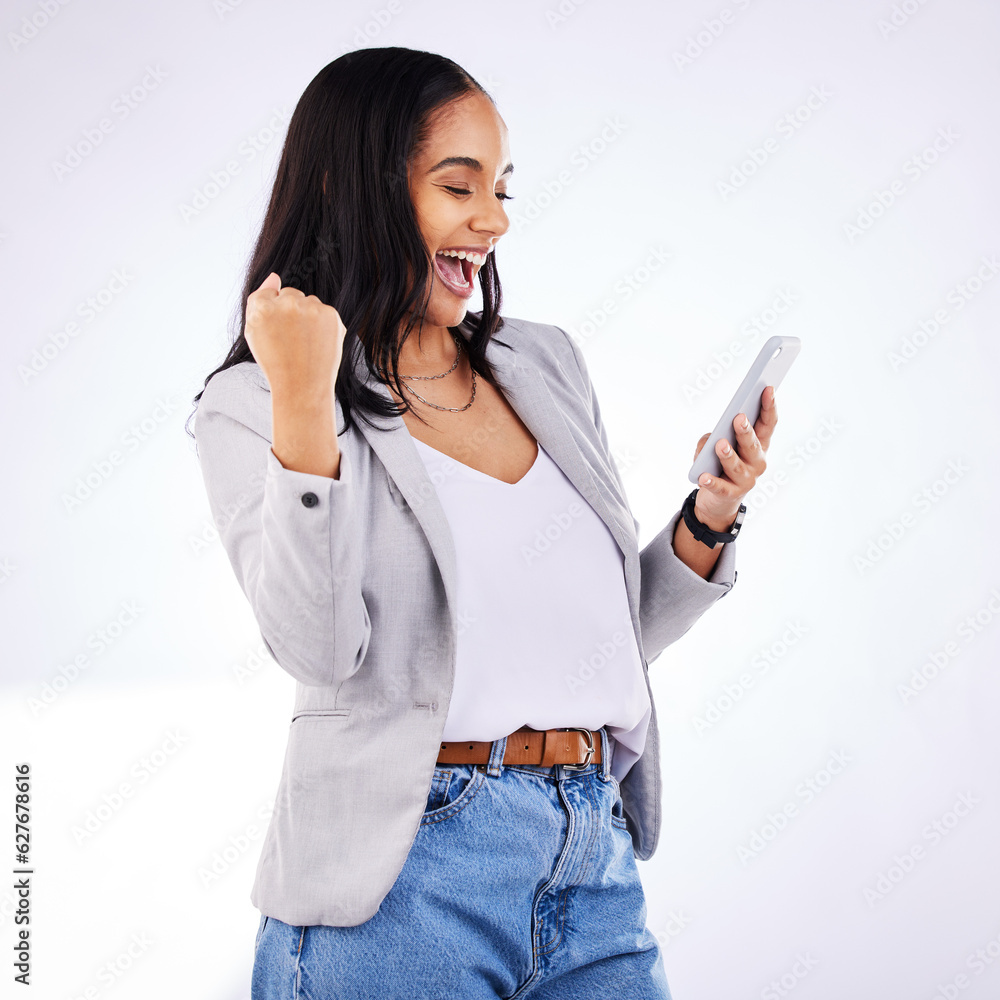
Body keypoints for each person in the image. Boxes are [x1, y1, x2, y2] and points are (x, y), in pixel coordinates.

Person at [188, 46, 777, 1000]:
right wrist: (304, 402)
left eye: (501, 187)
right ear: (357, 187)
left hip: (591, 865)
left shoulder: (541, 363)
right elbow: (319, 645)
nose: (494, 220)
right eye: (458, 186)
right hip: (399, 883)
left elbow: (602, 640)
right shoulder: (253, 403)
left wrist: (708, 518)